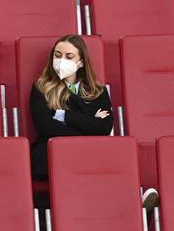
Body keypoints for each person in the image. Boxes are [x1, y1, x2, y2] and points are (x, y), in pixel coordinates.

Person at [29, 35, 159, 210]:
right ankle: (132, 206)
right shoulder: (41, 88)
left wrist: (64, 116)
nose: (61, 60)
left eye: (69, 56)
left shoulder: (97, 91)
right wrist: (88, 128)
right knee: (91, 155)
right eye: (58, 55)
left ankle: (136, 207)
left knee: (111, 154)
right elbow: (46, 126)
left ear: (81, 62)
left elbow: (104, 128)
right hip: (52, 151)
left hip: (87, 152)